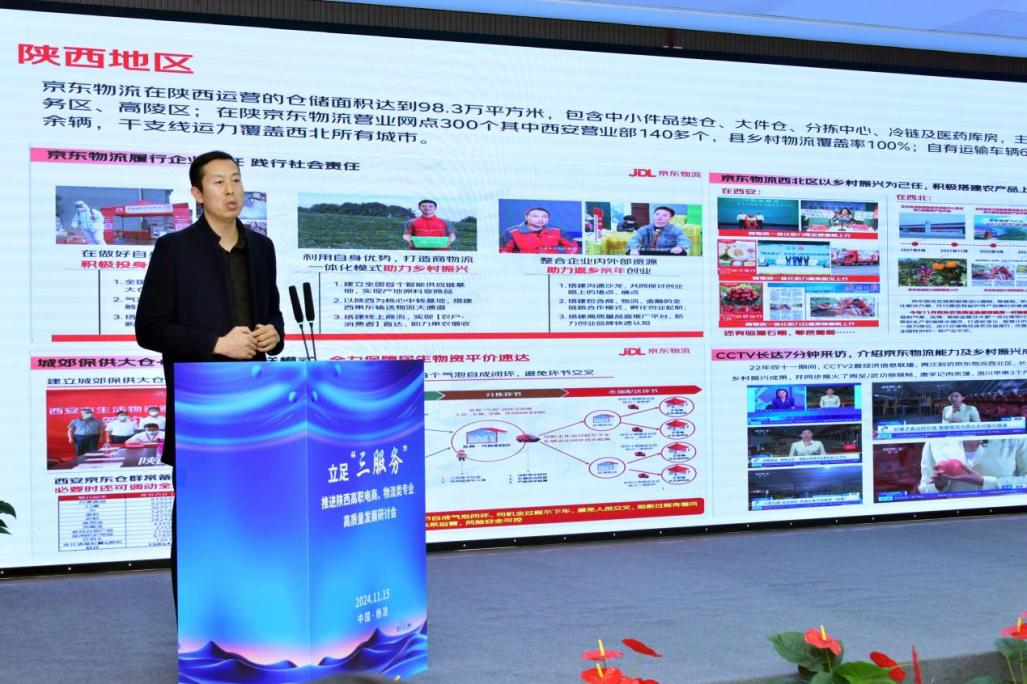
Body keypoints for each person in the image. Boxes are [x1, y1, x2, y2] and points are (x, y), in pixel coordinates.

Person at [135, 150, 285, 608]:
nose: (231, 190)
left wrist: (273, 334)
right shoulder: (175, 250)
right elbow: (150, 329)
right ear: (198, 194)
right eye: (218, 182)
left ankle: (253, 615)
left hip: (256, 406)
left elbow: (273, 315)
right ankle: (199, 626)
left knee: (256, 516)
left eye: (236, 180)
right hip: (202, 409)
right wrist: (217, 344)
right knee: (199, 522)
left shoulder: (261, 249)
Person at [919, 437, 1027, 494]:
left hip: (1004, 512)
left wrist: (985, 482)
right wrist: (939, 486)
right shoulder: (934, 442)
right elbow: (925, 488)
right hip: (952, 515)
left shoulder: (1017, 437)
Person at [500, 207, 578, 254]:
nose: (540, 219)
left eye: (545, 217)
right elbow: (503, 251)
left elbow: (573, 247)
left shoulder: (557, 231)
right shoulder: (511, 232)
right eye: (535, 216)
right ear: (526, 217)